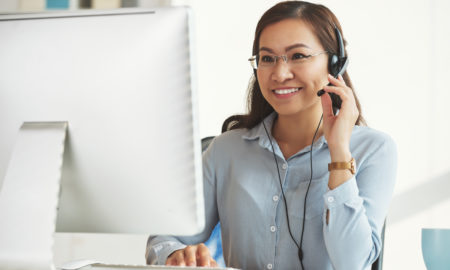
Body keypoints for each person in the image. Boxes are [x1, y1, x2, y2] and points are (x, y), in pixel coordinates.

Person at [146, 1, 397, 269]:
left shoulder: (373, 149)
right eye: (267, 58)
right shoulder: (226, 150)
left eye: (298, 56)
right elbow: (164, 238)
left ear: (334, 63)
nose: (279, 73)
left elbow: (353, 263)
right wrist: (177, 254)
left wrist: (339, 154)